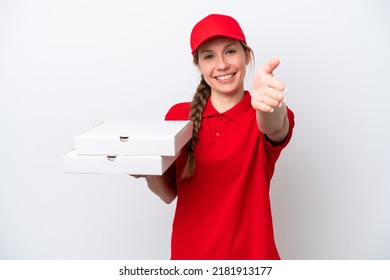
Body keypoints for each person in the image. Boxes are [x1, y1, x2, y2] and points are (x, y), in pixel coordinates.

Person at [139, 14, 295, 260]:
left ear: (246, 55)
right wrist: (147, 169)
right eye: (209, 56)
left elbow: (275, 128)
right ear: (198, 65)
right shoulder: (178, 116)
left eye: (230, 52)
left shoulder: (262, 112)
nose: (221, 65)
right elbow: (169, 194)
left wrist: (269, 104)